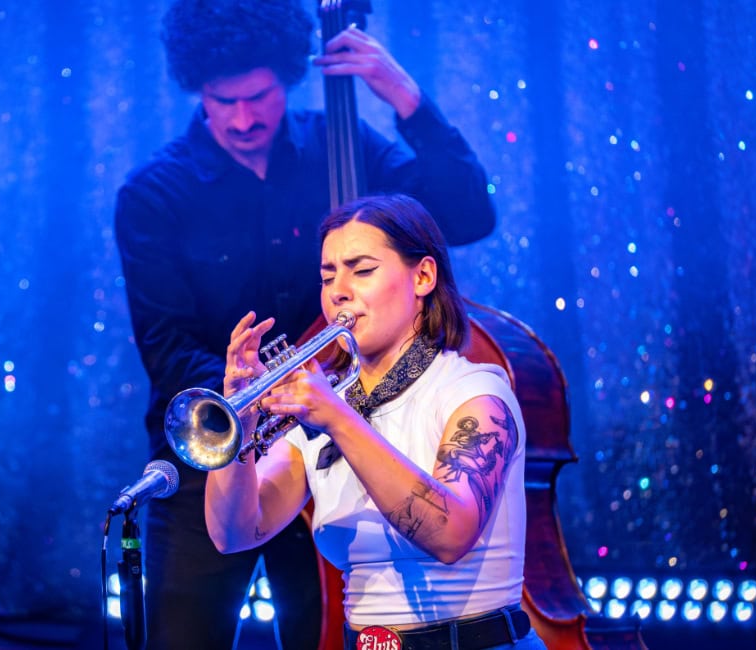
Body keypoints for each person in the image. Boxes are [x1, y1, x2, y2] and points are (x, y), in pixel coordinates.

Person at [114, 0, 496, 647]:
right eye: (223, 100)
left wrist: (406, 99)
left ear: (288, 77)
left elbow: (468, 217)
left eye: (259, 96)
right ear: (196, 89)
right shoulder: (154, 194)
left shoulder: (343, 145)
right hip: (216, 455)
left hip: (335, 449)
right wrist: (264, 399)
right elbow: (166, 344)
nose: (243, 118)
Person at [208, 193, 547, 650]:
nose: (338, 291)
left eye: (362, 270)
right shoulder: (325, 407)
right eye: (328, 276)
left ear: (423, 276)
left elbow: (450, 534)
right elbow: (233, 533)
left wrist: (338, 418)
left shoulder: (475, 392)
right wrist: (239, 427)